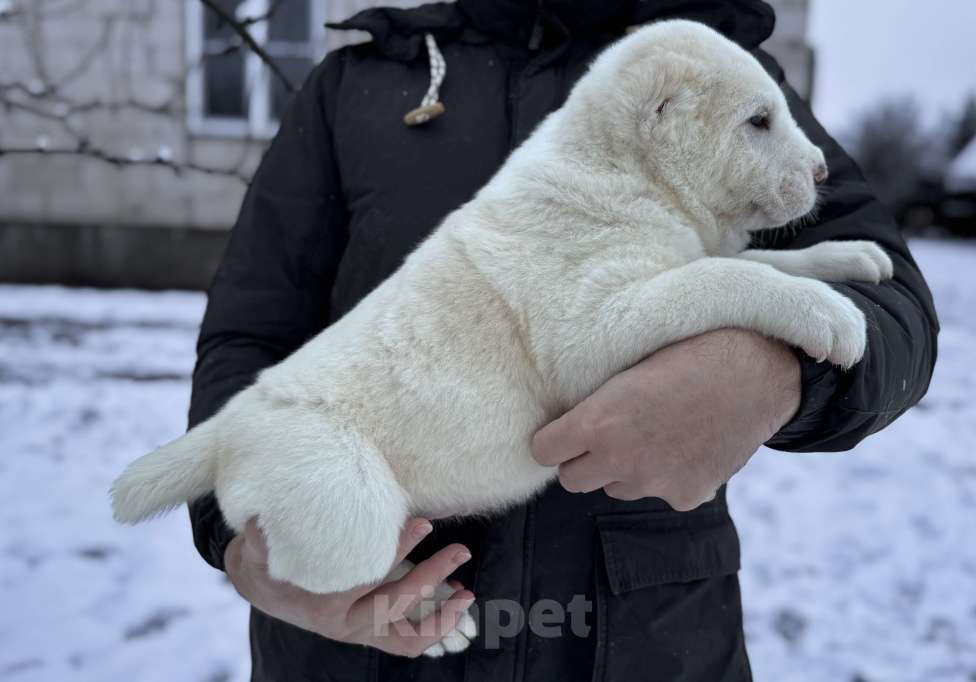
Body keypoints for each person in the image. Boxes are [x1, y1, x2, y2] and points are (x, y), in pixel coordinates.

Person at [187, 1, 938, 680]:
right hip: (363, 640)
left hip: (641, 640)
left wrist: (769, 371)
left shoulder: (709, 64)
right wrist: (244, 540)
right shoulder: (359, 84)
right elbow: (252, 334)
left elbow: (895, 307)